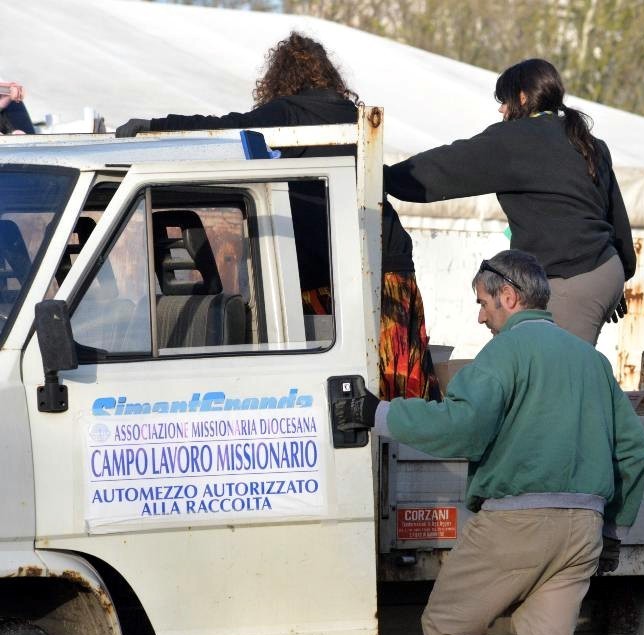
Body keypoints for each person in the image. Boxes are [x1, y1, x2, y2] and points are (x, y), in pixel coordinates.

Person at [338, 249, 644, 635]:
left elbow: (462, 427)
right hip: (583, 531)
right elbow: (635, 450)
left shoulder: (504, 354)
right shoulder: (592, 361)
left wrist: (377, 414)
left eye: (483, 304)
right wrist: (613, 532)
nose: (481, 318)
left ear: (508, 295)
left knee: (449, 630)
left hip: (516, 526)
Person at [115, 32, 440, 401]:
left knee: (337, 380)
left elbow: (223, 128)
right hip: (389, 262)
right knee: (396, 376)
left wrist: (156, 126)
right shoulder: (354, 117)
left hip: (329, 272)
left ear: (281, 77)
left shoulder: (289, 112)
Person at [384, 58, 635, 346]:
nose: (501, 109)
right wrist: (619, 277)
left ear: (523, 97)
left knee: (554, 371)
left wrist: (386, 178)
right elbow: (616, 217)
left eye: (504, 100)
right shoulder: (586, 140)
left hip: (572, 275)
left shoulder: (515, 139)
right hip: (605, 269)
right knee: (540, 361)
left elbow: (449, 166)